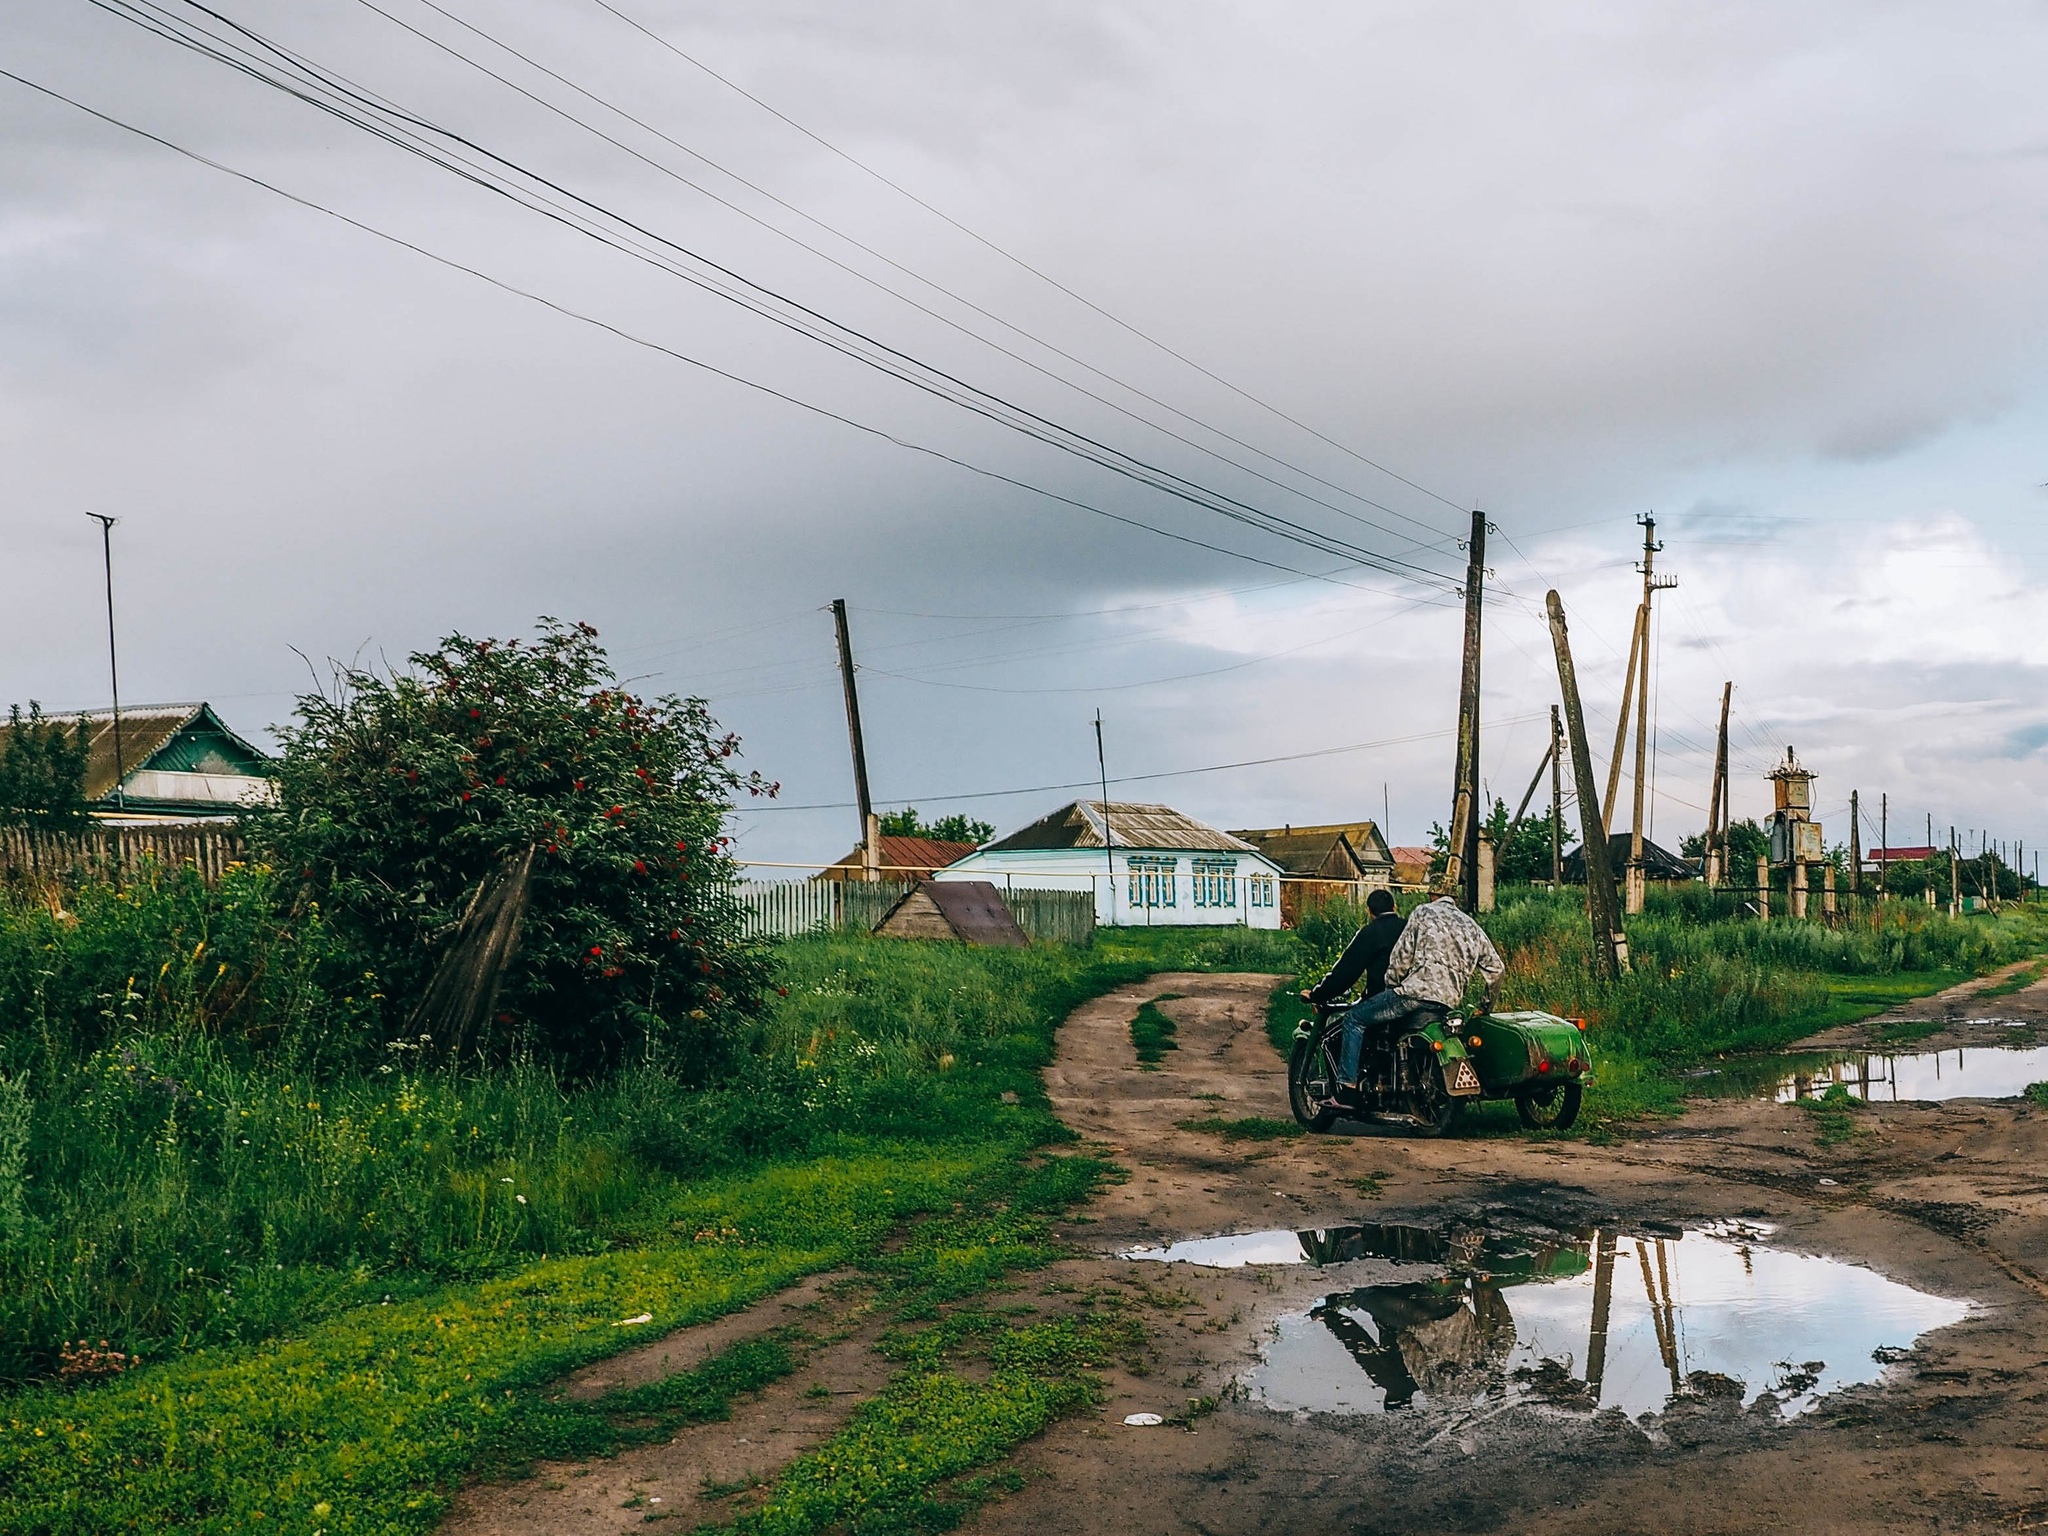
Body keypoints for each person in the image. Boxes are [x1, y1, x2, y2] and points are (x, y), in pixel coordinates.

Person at [1319, 894, 1506, 1093]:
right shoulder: (1471, 925)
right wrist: (1484, 1007)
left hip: (1414, 994)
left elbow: (1402, 957)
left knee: (1354, 1019)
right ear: (1455, 897)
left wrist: (1391, 985)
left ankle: (1346, 1085)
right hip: (1447, 1002)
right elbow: (1497, 969)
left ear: (1432, 894)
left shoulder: (1422, 912)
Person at [1303, 887, 1405, 1008]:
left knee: (1351, 1020)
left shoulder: (1370, 933)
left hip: (1383, 1000)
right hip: (1416, 999)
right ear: (1395, 907)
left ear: (1369, 912)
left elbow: (1346, 971)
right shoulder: (1410, 927)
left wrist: (1318, 995)